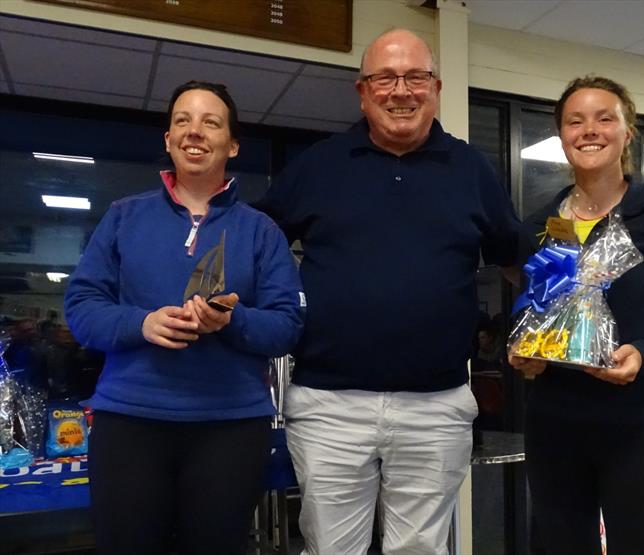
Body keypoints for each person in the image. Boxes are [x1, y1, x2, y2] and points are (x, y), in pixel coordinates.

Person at [261, 28, 519, 555]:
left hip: (437, 405)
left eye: (416, 77)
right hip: (329, 406)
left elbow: (515, 260)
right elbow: (256, 250)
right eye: (385, 78)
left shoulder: (470, 168)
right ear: (363, 90)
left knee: (421, 550)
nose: (400, 90)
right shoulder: (317, 165)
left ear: (436, 87)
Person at [64, 80, 304, 555]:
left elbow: (287, 326)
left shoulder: (262, 231)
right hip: (130, 423)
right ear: (168, 140)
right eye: (182, 121)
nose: (195, 132)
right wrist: (141, 324)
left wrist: (230, 323)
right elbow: (81, 308)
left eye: (210, 122)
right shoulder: (122, 217)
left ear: (232, 145)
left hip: (230, 428)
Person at [509, 76, 644, 555]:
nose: (590, 130)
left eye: (605, 118)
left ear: (628, 132)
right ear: (562, 135)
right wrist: (528, 353)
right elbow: (540, 317)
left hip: (642, 425)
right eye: (575, 120)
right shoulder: (543, 226)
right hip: (554, 424)